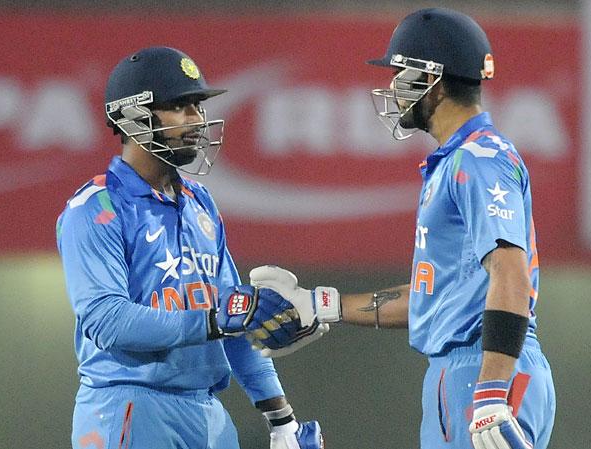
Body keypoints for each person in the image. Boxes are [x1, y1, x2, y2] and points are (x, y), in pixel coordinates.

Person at [244, 8, 556, 449]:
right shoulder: (461, 159)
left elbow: (511, 272)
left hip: (482, 372)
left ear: (433, 79)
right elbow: (435, 300)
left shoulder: (477, 159)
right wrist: (322, 304)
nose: (393, 86)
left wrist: (489, 395)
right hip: (475, 369)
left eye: (402, 72)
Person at [56, 46, 323, 449]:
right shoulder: (95, 207)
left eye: (197, 106)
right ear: (134, 115)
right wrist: (215, 319)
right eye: (181, 106)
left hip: (207, 414)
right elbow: (107, 321)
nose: (197, 120)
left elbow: (234, 313)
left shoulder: (200, 201)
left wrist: (281, 419)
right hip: (128, 406)